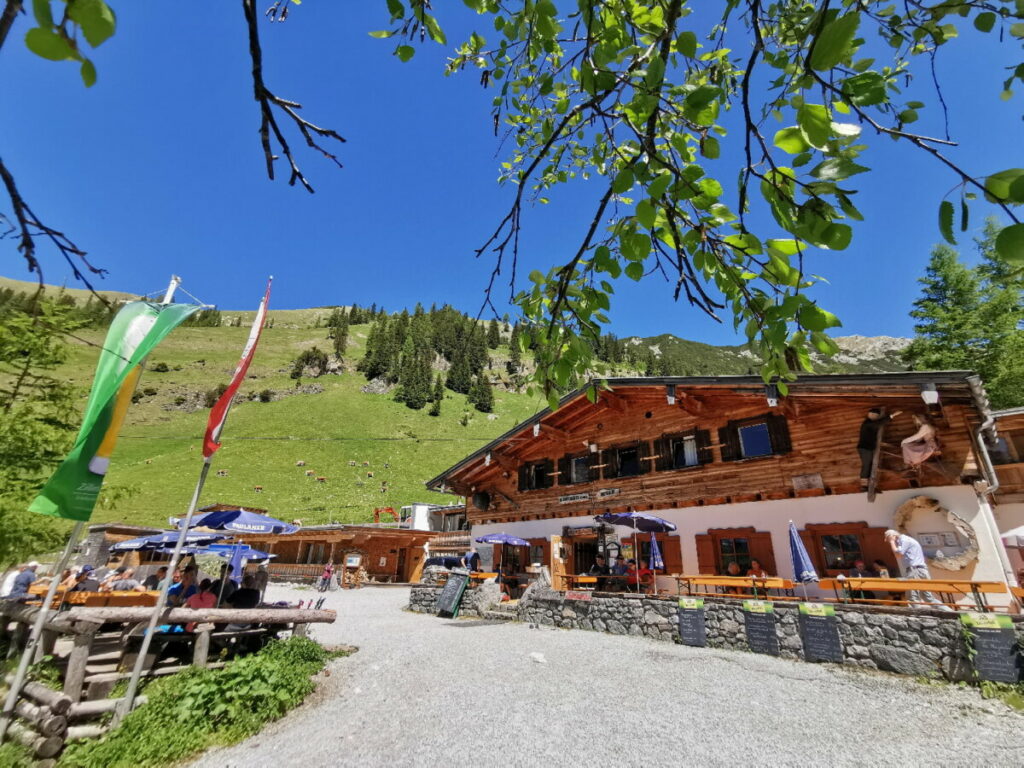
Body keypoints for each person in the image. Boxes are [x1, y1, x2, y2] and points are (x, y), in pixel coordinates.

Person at [884, 529, 950, 609]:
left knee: (912, 597)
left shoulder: (904, 540)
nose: (886, 541)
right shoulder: (904, 540)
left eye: (887, 539)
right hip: (919, 570)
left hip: (915, 570)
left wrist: (891, 542)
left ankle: (917, 615)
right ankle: (952, 613)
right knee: (928, 598)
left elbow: (898, 554)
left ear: (892, 536)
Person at [857, 408, 902, 488]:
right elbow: (878, 423)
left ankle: (868, 484)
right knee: (866, 465)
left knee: (869, 465)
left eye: (876, 416)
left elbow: (878, 423)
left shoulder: (870, 423)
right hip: (865, 448)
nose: (875, 417)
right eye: (874, 415)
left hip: (868, 448)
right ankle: (863, 485)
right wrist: (892, 415)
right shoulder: (867, 423)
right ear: (870, 415)